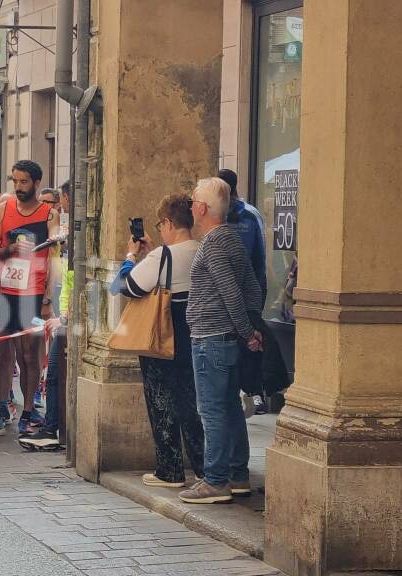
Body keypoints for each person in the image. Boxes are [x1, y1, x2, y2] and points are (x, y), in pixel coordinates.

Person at [107, 194, 204, 486]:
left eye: (161, 224)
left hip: (163, 334)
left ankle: (170, 469)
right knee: (191, 401)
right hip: (194, 333)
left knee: (161, 400)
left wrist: (129, 258)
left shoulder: (162, 257)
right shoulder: (201, 250)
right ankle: (203, 467)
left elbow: (125, 286)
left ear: (168, 223)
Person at [178, 177, 263, 505]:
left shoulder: (213, 243)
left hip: (211, 337)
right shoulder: (232, 239)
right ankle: (238, 474)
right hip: (224, 337)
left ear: (201, 208)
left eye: (193, 201)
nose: (191, 206)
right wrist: (250, 328)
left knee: (211, 409)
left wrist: (247, 331)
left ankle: (215, 480)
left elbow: (230, 291)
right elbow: (251, 287)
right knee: (228, 406)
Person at [0, 160, 60, 437]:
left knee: (28, 355)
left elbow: (54, 258)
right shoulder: (4, 209)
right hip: (6, 292)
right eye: (15, 181)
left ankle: (28, 411)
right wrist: (12, 248)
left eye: (24, 182)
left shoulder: (49, 214)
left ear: (37, 183)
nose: (18, 187)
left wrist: (48, 298)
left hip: (33, 293)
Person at [20, 183, 72, 450]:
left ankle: (53, 430)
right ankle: (54, 429)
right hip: (63, 315)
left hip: (67, 318)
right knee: (53, 373)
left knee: (53, 374)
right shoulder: (65, 236)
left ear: (64, 198)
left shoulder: (74, 236)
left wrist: (62, 315)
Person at [217, 168, 270, 415]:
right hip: (231, 296)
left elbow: (259, 260)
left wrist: (256, 299)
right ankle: (246, 393)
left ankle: (253, 392)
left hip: (242, 295)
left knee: (248, 344)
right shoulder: (224, 215)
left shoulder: (248, 216)